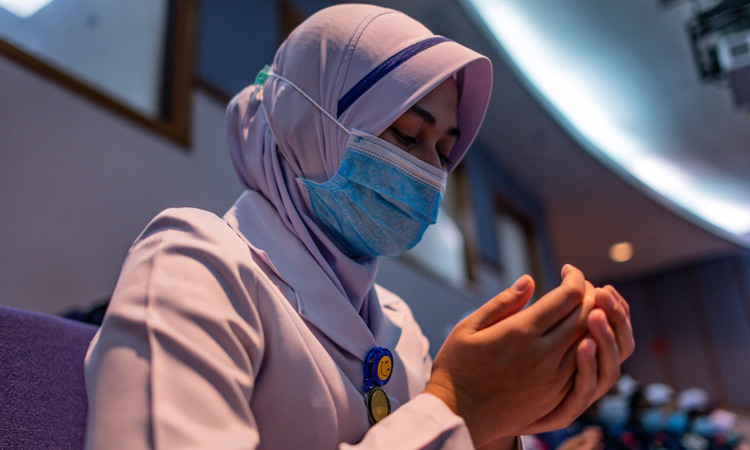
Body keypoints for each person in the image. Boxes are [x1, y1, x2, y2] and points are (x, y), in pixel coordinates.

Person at [84, 4, 634, 449]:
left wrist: (500, 421)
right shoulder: (193, 260)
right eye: (404, 135)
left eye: (443, 153)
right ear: (306, 120)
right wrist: (458, 406)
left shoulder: (400, 326)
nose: (426, 172)